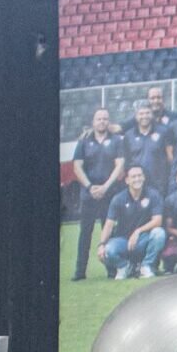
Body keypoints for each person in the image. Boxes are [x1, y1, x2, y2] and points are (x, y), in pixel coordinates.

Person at [69, 108, 124, 281]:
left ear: (109, 121)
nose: (102, 121)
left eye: (105, 119)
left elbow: (119, 165)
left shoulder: (116, 140)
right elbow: (77, 167)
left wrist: (106, 187)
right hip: (89, 196)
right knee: (85, 234)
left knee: (109, 233)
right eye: (99, 119)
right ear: (93, 122)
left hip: (109, 194)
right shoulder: (84, 141)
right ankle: (80, 272)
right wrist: (90, 186)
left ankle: (111, 270)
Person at [98, 164, 165, 279]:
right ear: (127, 180)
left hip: (143, 239)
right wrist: (101, 245)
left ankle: (146, 266)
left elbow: (157, 221)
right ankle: (124, 267)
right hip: (123, 241)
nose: (137, 179)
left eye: (139, 175)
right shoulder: (118, 199)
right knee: (108, 250)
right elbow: (109, 225)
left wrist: (138, 231)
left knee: (159, 233)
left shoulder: (153, 195)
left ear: (144, 177)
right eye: (133, 177)